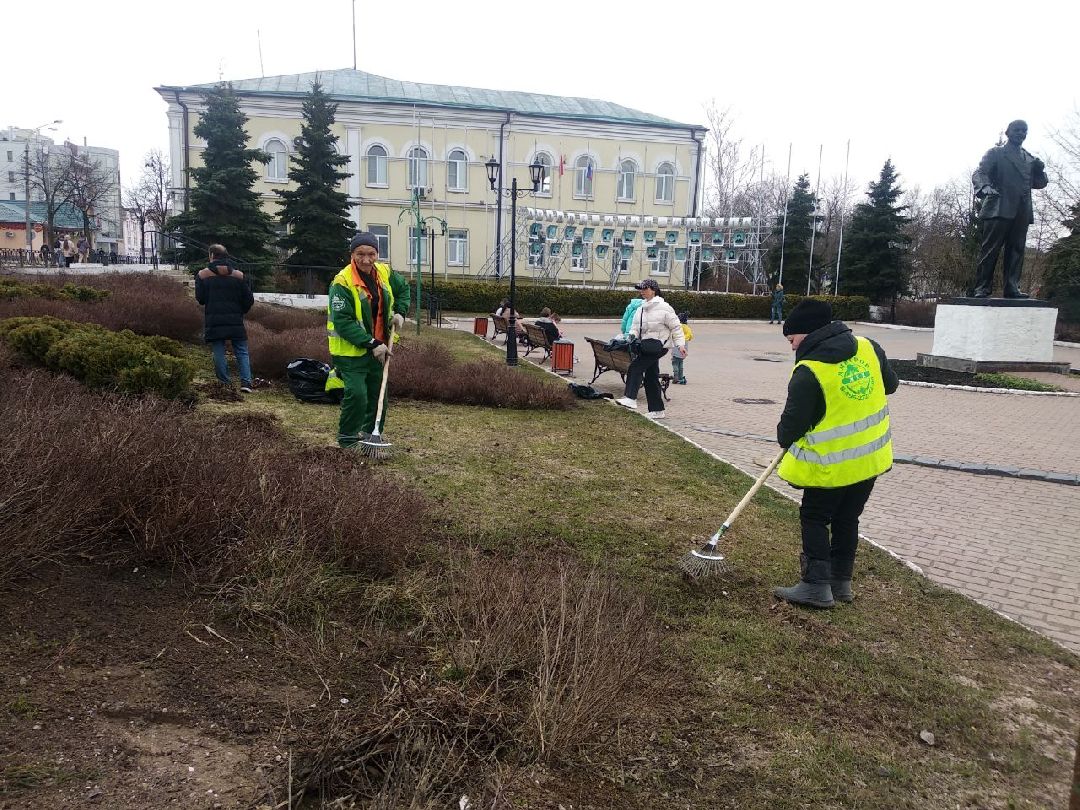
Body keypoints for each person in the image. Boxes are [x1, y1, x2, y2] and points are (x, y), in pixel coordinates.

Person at [772, 298, 899, 609]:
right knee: (847, 518)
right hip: (870, 460)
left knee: (815, 517)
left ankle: (816, 586)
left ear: (807, 333)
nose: (792, 347)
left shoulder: (809, 371)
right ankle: (841, 582)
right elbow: (891, 385)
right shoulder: (868, 347)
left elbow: (787, 432)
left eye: (792, 340)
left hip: (831, 467)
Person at [328, 232, 410, 450]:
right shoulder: (342, 282)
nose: (366, 259)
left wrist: (400, 312)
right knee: (357, 395)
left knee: (377, 394)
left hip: (381, 347)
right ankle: (347, 440)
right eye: (360, 254)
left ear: (377, 254)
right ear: (352, 254)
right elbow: (343, 323)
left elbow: (403, 289)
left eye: (371, 254)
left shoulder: (383, 272)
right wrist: (371, 343)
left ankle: (371, 435)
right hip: (350, 352)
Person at [971, 120, 1049, 298]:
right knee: (990, 249)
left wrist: (1040, 170)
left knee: (1017, 250)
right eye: (1017, 130)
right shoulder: (997, 153)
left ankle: (1012, 287)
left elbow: (1039, 183)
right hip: (999, 206)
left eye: (1024, 131)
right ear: (1008, 132)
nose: (1021, 133)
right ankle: (982, 287)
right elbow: (980, 172)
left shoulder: (1029, 159)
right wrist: (984, 188)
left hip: (1022, 210)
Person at [614, 278, 685, 419]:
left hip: (659, 346)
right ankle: (657, 410)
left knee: (635, 367)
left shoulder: (665, 308)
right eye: (640, 289)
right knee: (651, 377)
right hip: (646, 346)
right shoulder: (640, 308)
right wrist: (631, 336)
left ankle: (630, 398)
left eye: (645, 289)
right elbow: (635, 327)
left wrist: (680, 345)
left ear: (653, 290)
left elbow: (676, 327)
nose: (642, 292)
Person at [194, 244, 255, 393]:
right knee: (241, 350)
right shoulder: (238, 276)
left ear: (212, 256)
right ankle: (246, 383)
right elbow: (249, 299)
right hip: (235, 319)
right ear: (226, 256)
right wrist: (241, 311)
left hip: (214, 319)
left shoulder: (202, 275)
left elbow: (200, 298)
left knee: (218, 351)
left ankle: (224, 382)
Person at [672, 311, 692, 384]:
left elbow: (673, 335)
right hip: (684, 347)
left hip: (677, 346)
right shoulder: (687, 327)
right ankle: (681, 376)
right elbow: (691, 336)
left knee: (675, 363)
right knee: (681, 362)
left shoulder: (678, 327)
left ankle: (676, 376)